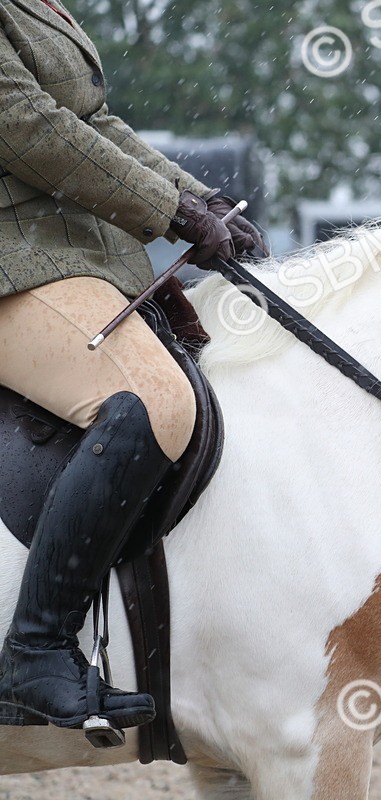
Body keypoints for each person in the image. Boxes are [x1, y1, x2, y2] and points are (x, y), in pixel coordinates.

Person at [0, 0, 262, 734]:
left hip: (66, 256)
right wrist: (169, 211)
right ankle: (35, 650)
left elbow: (91, 122)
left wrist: (197, 195)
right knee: (151, 401)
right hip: (12, 262)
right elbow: (24, 126)